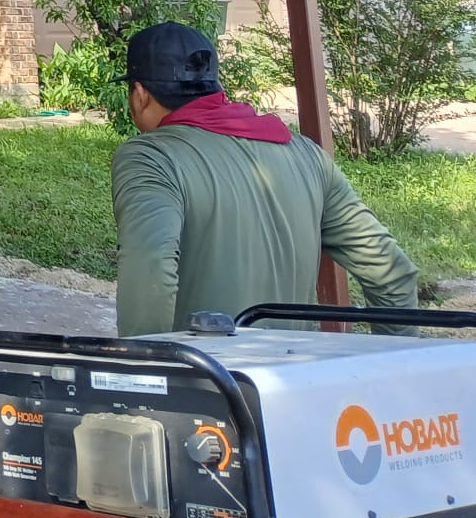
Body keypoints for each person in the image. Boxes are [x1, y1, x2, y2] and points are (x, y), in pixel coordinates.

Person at [112, 20, 419, 335]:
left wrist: (144, 371)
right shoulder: (307, 154)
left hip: (210, 380)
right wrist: (394, 365)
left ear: (139, 94)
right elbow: (392, 273)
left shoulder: (151, 158)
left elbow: (149, 270)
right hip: (297, 378)